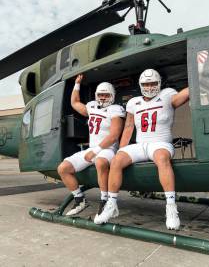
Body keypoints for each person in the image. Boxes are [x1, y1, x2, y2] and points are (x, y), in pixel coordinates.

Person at [94, 69, 189, 230]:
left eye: (153, 83)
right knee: (117, 160)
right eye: (146, 84)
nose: (150, 87)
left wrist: (198, 70)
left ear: (159, 84)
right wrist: (121, 149)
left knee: (161, 158)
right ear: (140, 85)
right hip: (140, 145)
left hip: (160, 143)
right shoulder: (133, 102)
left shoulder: (167, 95)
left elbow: (185, 94)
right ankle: (111, 205)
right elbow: (129, 127)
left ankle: (171, 208)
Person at [58, 74, 125, 216]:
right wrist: (77, 84)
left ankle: (105, 201)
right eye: (100, 95)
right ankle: (79, 199)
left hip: (107, 149)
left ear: (112, 96)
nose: (103, 98)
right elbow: (75, 102)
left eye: (106, 95)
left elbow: (113, 136)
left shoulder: (116, 110)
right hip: (92, 149)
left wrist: (95, 152)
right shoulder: (92, 106)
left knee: (100, 162)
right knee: (63, 168)